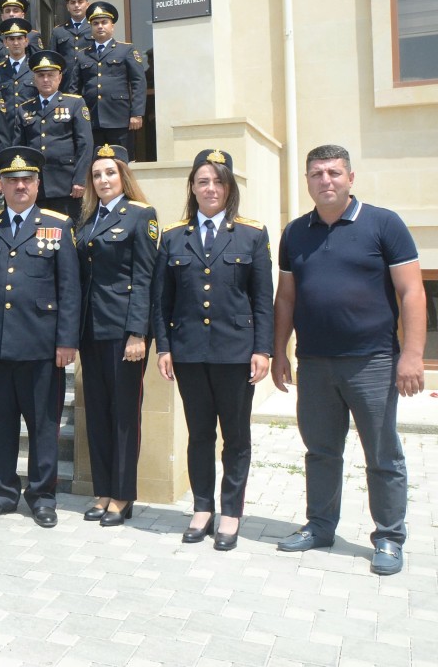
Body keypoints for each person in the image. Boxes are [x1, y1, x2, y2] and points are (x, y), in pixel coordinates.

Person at [272, 144, 426, 576]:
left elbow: (413, 292)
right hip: (315, 363)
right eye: (317, 173)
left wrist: (412, 355)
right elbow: (286, 296)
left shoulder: (383, 224)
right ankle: (320, 526)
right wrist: (280, 350)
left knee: (382, 454)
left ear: (351, 178)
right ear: (307, 181)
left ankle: (389, 538)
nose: (326, 180)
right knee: (320, 451)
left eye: (334, 172)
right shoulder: (295, 232)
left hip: (372, 362)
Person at [154, 149, 273, 551]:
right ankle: (202, 508)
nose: (211, 188)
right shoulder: (172, 237)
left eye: (219, 181)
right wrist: (164, 348)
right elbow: (161, 301)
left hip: (236, 353)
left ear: (230, 187)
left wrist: (264, 350)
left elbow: (262, 300)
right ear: (192, 186)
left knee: (235, 437)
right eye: (203, 181)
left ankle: (232, 512)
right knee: (200, 433)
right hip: (189, 352)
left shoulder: (252, 234)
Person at [0, 148, 80, 527]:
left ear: (38, 184)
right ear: (0, 185)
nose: (20, 185)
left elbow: (69, 289)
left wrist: (67, 341)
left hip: (41, 347)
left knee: (43, 425)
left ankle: (42, 496)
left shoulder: (58, 225)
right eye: (12, 180)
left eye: (28, 180)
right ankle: (2, 493)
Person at [75, 144, 158, 527]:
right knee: (98, 414)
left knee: (124, 414)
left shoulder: (141, 215)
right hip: (91, 329)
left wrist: (138, 332)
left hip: (124, 332)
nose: (103, 180)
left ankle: (122, 495)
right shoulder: (88, 218)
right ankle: (103, 489)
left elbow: (145, 278)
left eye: (110, 173)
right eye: (96, 174)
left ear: (123, 177)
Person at [3, 50, 92, 223]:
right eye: (41, 75)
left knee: (68, 230)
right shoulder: (25, 109)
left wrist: (80, 179)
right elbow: (19, 148)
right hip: (37, 186)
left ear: (59, 78)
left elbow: (85, 144)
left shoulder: (74, 103)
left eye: (50, 75)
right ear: (34, 79)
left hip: (67, 184)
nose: (45, 79)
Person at [67, 1, 146, 155]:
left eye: (104, 22)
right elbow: (74, 88)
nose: (100, 26)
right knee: (94, 162)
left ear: (112, 26)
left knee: (121, 162)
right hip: (91, 118)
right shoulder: (82, 55)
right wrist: (75, 117)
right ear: (91, 27)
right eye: (95, 23)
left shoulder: (126, 50)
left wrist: (136, 113)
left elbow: (138, 82)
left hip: (119, 118)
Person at [49, 0, 93, 73]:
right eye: (72, 2)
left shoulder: (94, 28)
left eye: (80, 2)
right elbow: (52, 60)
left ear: (87, 5)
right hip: (66, 83)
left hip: (89, 81)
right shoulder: (58, 31)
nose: (76, 5)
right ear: (68, 7)